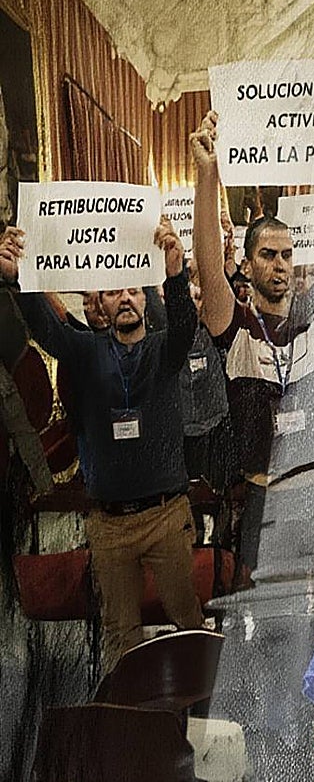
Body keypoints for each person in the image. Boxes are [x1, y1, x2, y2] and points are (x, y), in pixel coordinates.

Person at [0, 219, 205, 673]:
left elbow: (186, 328)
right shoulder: (85, 351)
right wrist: (18, 281)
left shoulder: (163, 350)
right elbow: (46, 330)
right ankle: (126, 727)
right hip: (110, 527)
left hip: (166, 516)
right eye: (115, 292)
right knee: (120, 636)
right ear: (103, 304)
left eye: (133, 289)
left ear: (144, 299)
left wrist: (175, 276)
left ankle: (200, 709)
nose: (126, 298)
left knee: (188, 621)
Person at [189, 109, 314, 571]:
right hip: (260, 501)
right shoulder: (239, 331)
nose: (280, 265)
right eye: (268, 255)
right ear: (248, 267)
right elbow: (211, 267)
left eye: (287, 255)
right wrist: (207, 177)